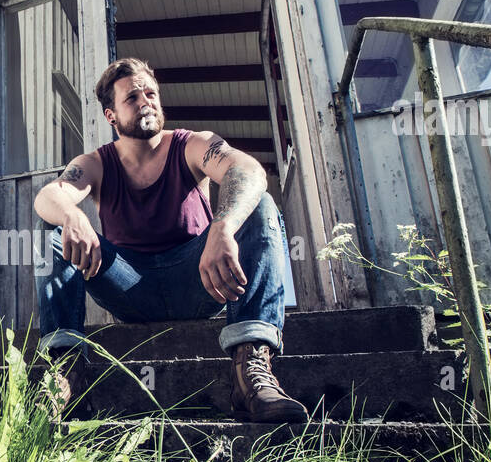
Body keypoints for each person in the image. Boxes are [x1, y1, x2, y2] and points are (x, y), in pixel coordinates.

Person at [32, 56, 308, 423]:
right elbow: (48, 196)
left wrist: (222, 226)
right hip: (130, 288)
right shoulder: (97, 162)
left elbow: (248, 170)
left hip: (199, 280)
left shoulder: (191, 145)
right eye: (132, 97)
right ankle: (66, 374)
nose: (146, 101)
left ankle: (250, 371)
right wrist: (72, 215)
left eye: (151, 93)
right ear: (111, 115)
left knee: (261, 204)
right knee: (51, 233)